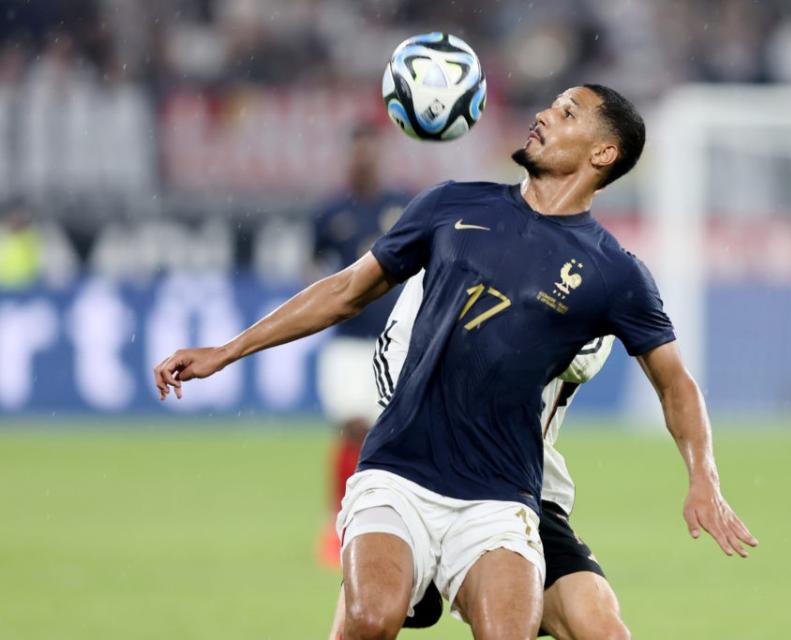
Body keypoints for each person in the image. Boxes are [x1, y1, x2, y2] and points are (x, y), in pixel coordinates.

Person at [154, 84, 758, 640]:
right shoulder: (451, 204)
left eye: (568, 112)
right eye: (551, 104)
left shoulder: (614, 273)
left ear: (604, 154)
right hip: (400, 469)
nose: (545, 114)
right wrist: (227, 351)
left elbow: (674, 380)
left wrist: (703, 475)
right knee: (370, 618)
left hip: (500, 494)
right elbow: (346, 289)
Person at [327, 269, 625, 639]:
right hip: (418, 468)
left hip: (515, 480)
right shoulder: (454, 242)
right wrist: (419, 427)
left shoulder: (590, 268)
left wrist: (493, 314)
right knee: (366, 618)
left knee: (603, 631)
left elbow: (585, 358)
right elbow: (393, 348)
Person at [309, 123, 411, 566]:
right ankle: (338, 523)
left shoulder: (401, 206)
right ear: (350, 155)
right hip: (349, 339)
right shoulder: (330, 212)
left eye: (372, 150)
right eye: (359, 151)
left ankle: (389, 526)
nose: (365, 158)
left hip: (396, 337)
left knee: (390, 436)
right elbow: (312, 267)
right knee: (354, 427)